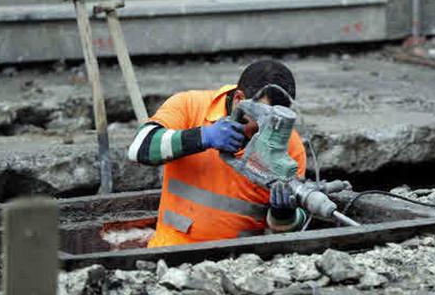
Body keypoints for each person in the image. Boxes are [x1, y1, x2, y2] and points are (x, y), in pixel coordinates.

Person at [128, 60, 307, 247]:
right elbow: (139, 148)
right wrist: (202, 136)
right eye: (261, 122)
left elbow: (286, 233)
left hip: (242, 263)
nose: (267, 133)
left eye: (275, 125)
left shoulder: (289, 147)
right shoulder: (190, 106)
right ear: (239, 100)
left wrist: (284, 215)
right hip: (172, 252)